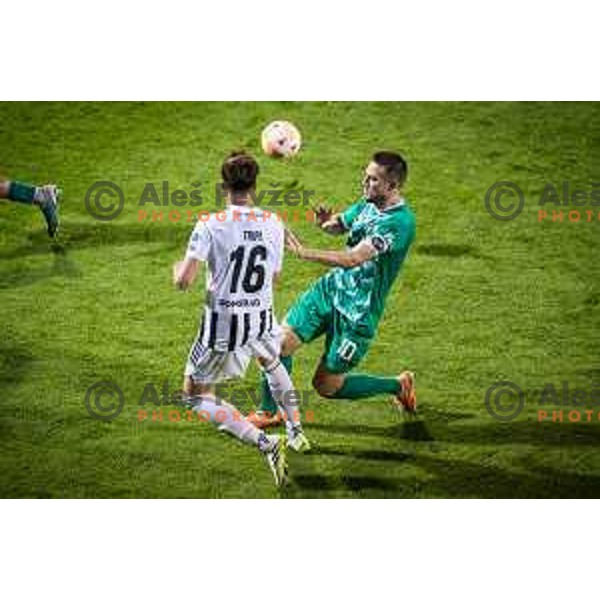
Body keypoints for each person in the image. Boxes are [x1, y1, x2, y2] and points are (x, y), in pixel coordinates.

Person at [250, 151, 417, 428]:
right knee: (277, 346)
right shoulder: (369, 203)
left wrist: (304, 253)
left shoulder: (399, 224)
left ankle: (398, 386)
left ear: (392, 187)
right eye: (366, 175)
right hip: (330, 291)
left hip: (357, 314)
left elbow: (353, 259)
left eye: (373, 180)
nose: (365, 182)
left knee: (326, 385)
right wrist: (327, 222)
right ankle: (270, 412)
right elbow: (341, 224)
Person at [173, 152, 310, 487]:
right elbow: (274, 277)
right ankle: (296, 432)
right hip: (261, 315)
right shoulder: (274, 222)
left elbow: (184, 281)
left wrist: (177, 270)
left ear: (223, 186)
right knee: (272, 363)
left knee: (194, 394)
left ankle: (266, 444)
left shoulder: (210, 223)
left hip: (223, 324)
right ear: (255, 185)